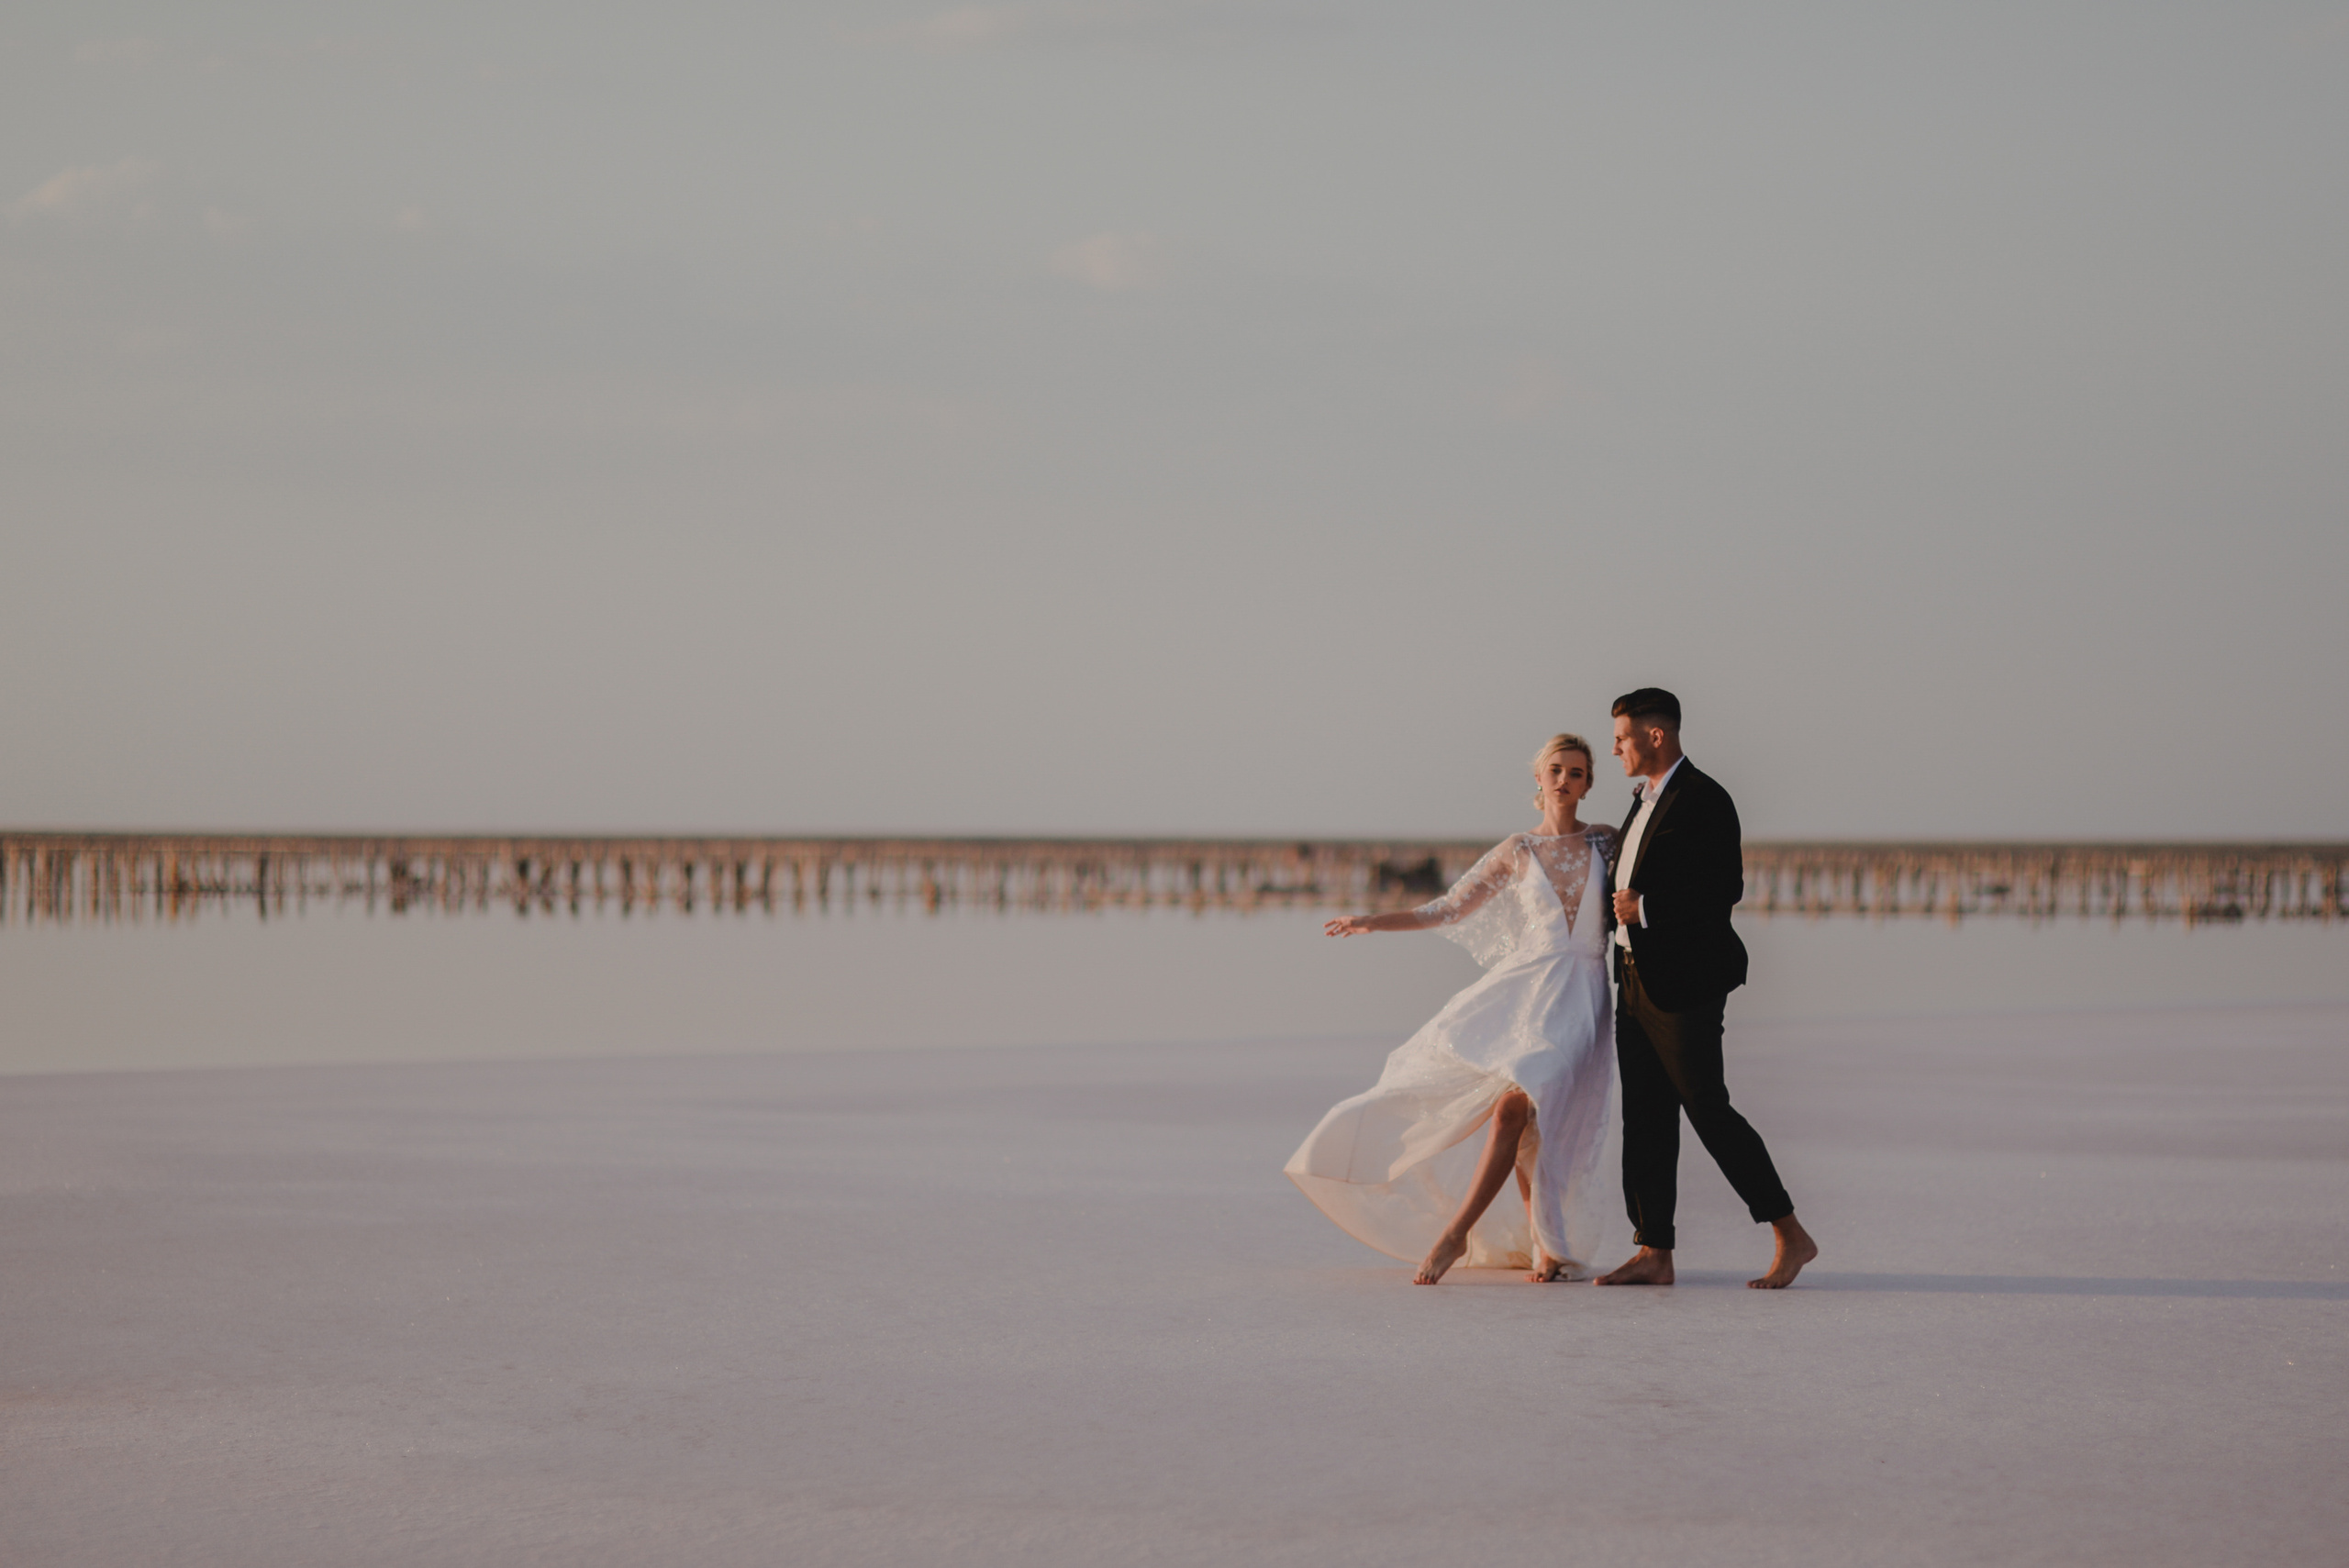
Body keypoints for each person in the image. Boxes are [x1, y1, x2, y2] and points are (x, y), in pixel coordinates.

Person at [1286, 735, 1620, 1284]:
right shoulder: (1518, 850)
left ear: (1588, 784)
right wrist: (1372, 921)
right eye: (1556, 770)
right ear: (1539, 779)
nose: (1565, 780)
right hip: (1525, 994)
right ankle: (1489, 1237)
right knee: (1515, 1113)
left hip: (1582, 998)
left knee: (1543, 1115)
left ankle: (1530, 1241)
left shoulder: (1606, 841)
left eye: (1577, 773)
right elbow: (1448, 909)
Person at [1596, 688, 1819, 1290]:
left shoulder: (1705, 798)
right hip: (1632, 977)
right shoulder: (1642, 799)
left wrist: (1647, 908)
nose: (1614, 749)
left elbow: (1724, 888)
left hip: (1684, 981)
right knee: (1645, 1115)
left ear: (1656, 735)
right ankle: (1654, 1249)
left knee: (1706, 1106)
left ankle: (1790, 1231)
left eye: (1622, 737)